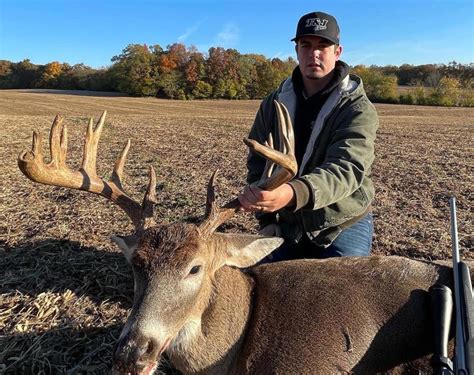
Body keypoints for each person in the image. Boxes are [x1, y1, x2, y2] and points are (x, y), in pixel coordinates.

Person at [238, 11, 378, 260]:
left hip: (340, 221)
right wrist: (266, 218)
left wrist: (292, 194)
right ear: (297, 51)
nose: (314, 53)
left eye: (323, 45)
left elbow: (346, 168)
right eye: (306, 45)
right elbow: (258, 163)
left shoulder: (356, 108)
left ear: (337, 52)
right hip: (289, 220)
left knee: (343, 292)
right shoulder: (274, 103)